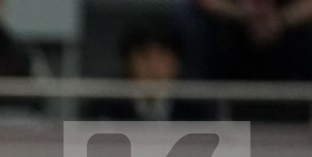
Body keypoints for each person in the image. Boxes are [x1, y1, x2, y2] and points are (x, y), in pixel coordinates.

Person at [87, 19, 216, 122]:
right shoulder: (106, 104)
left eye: (162, 56)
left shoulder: (195, 108)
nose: (153, 66)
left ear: (178, 62)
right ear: (125, 62)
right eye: (144, 56)